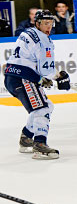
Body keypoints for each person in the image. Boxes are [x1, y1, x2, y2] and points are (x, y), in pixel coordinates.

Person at [3, 10, 71, 160]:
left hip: (12, 76)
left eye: (51, 23)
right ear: (37, 23)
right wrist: (60, 78)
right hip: (23, 78)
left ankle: (26, 137)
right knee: (42, 108)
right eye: (45, 23)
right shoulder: (44, 40)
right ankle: (39, 144)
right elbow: (45, 70)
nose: (49, 27)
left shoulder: (28, 33)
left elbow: (32, 63)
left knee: (47, 106)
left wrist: (46, 78)